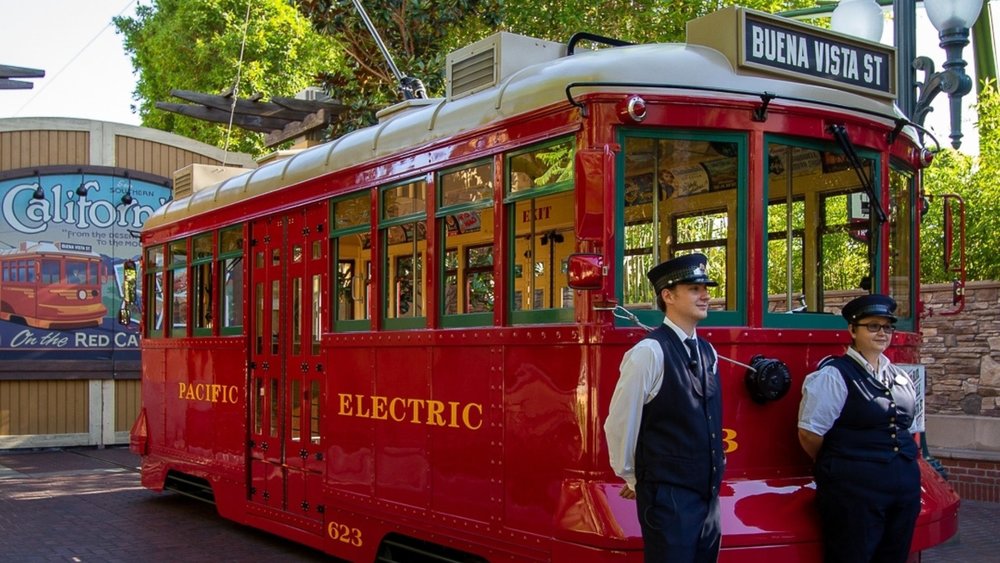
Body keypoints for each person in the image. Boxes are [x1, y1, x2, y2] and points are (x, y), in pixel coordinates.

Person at [605, 253, 724, 563]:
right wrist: (631, 477)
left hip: (706, 496)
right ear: (668, 296)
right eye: (695, 289)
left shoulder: (709, 352)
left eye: (705, 289)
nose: (706, 295)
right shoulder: (649, 352)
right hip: (669, 498)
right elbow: (619, 422)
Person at [797, 294, 920, 563]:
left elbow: (907, 426)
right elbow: (809, 433)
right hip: (855, 493)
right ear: (852, 330)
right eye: (873, 326)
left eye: (887, 327)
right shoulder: (834, 375)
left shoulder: (900, 377)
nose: (882, 333)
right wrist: (842, 462)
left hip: (903, 490)